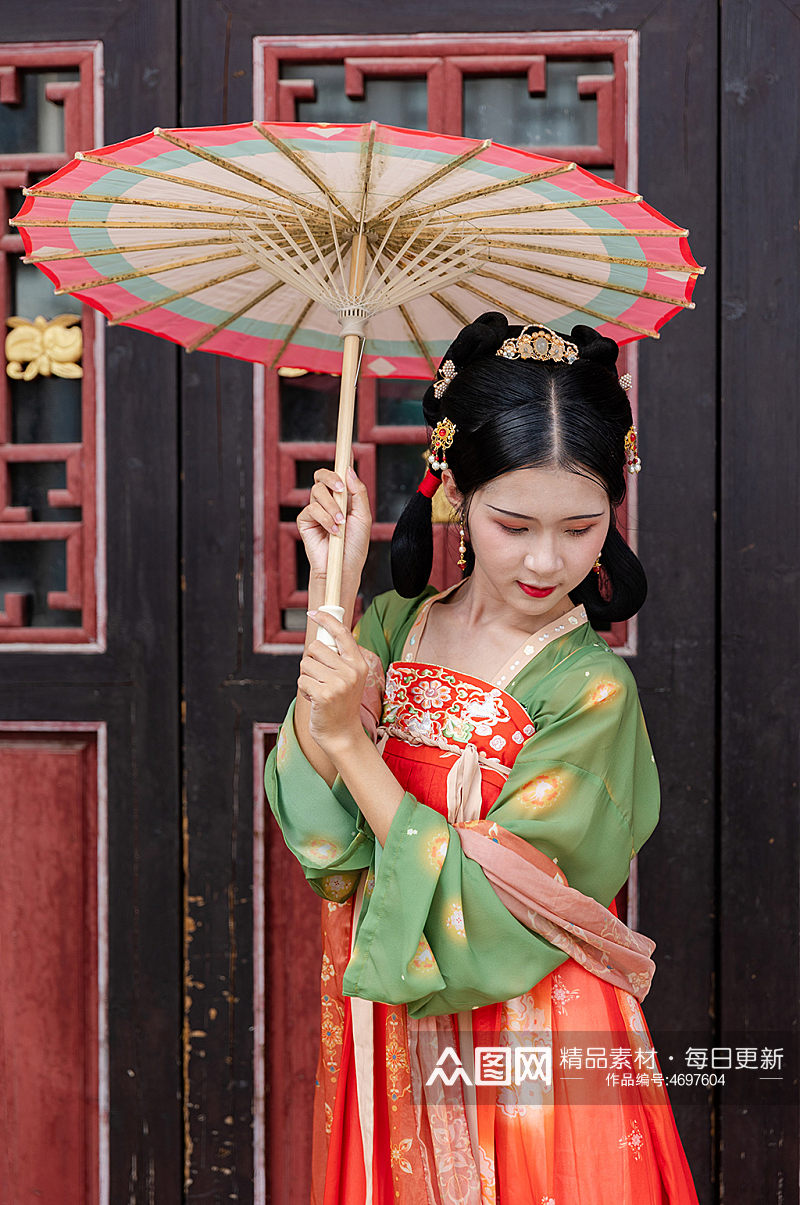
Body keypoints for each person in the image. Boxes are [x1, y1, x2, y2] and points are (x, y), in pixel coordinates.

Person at [265, 312, 700, 1204]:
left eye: (581, 527)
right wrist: (331, 595)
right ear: (456, 495)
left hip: (531, 1024)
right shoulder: (396, 625)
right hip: (394, 1008)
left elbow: (503, 909)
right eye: (514, 524)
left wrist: (356, 744)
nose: (548, 560)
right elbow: (331, 849)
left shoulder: (589, 689)